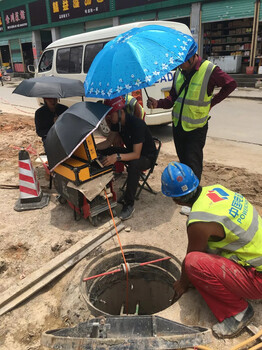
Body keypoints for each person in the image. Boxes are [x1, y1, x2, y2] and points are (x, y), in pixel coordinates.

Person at [161, 161, 262, 339]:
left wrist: (183, 282)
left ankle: (238, 312)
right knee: (210, 248)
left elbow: (192, 257)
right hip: (256, 257)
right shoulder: (216, 190)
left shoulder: (199, 223)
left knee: (194, 264)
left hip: (258, 279)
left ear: (174, 198)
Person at [147, 52, 237, 183]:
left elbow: (231, 84)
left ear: (191, 57)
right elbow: (173, 98)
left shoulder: (209, 70)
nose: (179, 66)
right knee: (183, 162)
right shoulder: (179, 71)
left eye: (181, 62)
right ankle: (185, 191)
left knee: (193, 164)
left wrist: (212, 102)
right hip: (178, 126)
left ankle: (193, 196)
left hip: (196, 128)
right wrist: (158, 103)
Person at [97, 96, 157, 220]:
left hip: (146, 157)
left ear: (120, 112)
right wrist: (92, 148)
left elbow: (136, 154)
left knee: (134, 165)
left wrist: (117, 157)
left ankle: (129, 204)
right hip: (132, 153)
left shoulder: (137, 124)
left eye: (110, 114)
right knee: (107, 150)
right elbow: (108, 142)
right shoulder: (117, 123)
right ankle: (101, 188)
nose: (108, 118)